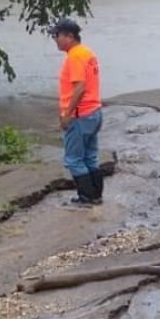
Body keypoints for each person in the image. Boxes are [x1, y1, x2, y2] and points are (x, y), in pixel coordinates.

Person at [50, 18, 104, 206]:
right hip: (94, 112)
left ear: (69, 36)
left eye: (56, 35)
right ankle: (96, 195)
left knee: (73, 159)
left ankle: (86, 198)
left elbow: (80, 87)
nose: (54, 39)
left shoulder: (75, 57)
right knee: (89, 157)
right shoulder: (87, 53)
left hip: (81, 115)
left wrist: (67, 114)